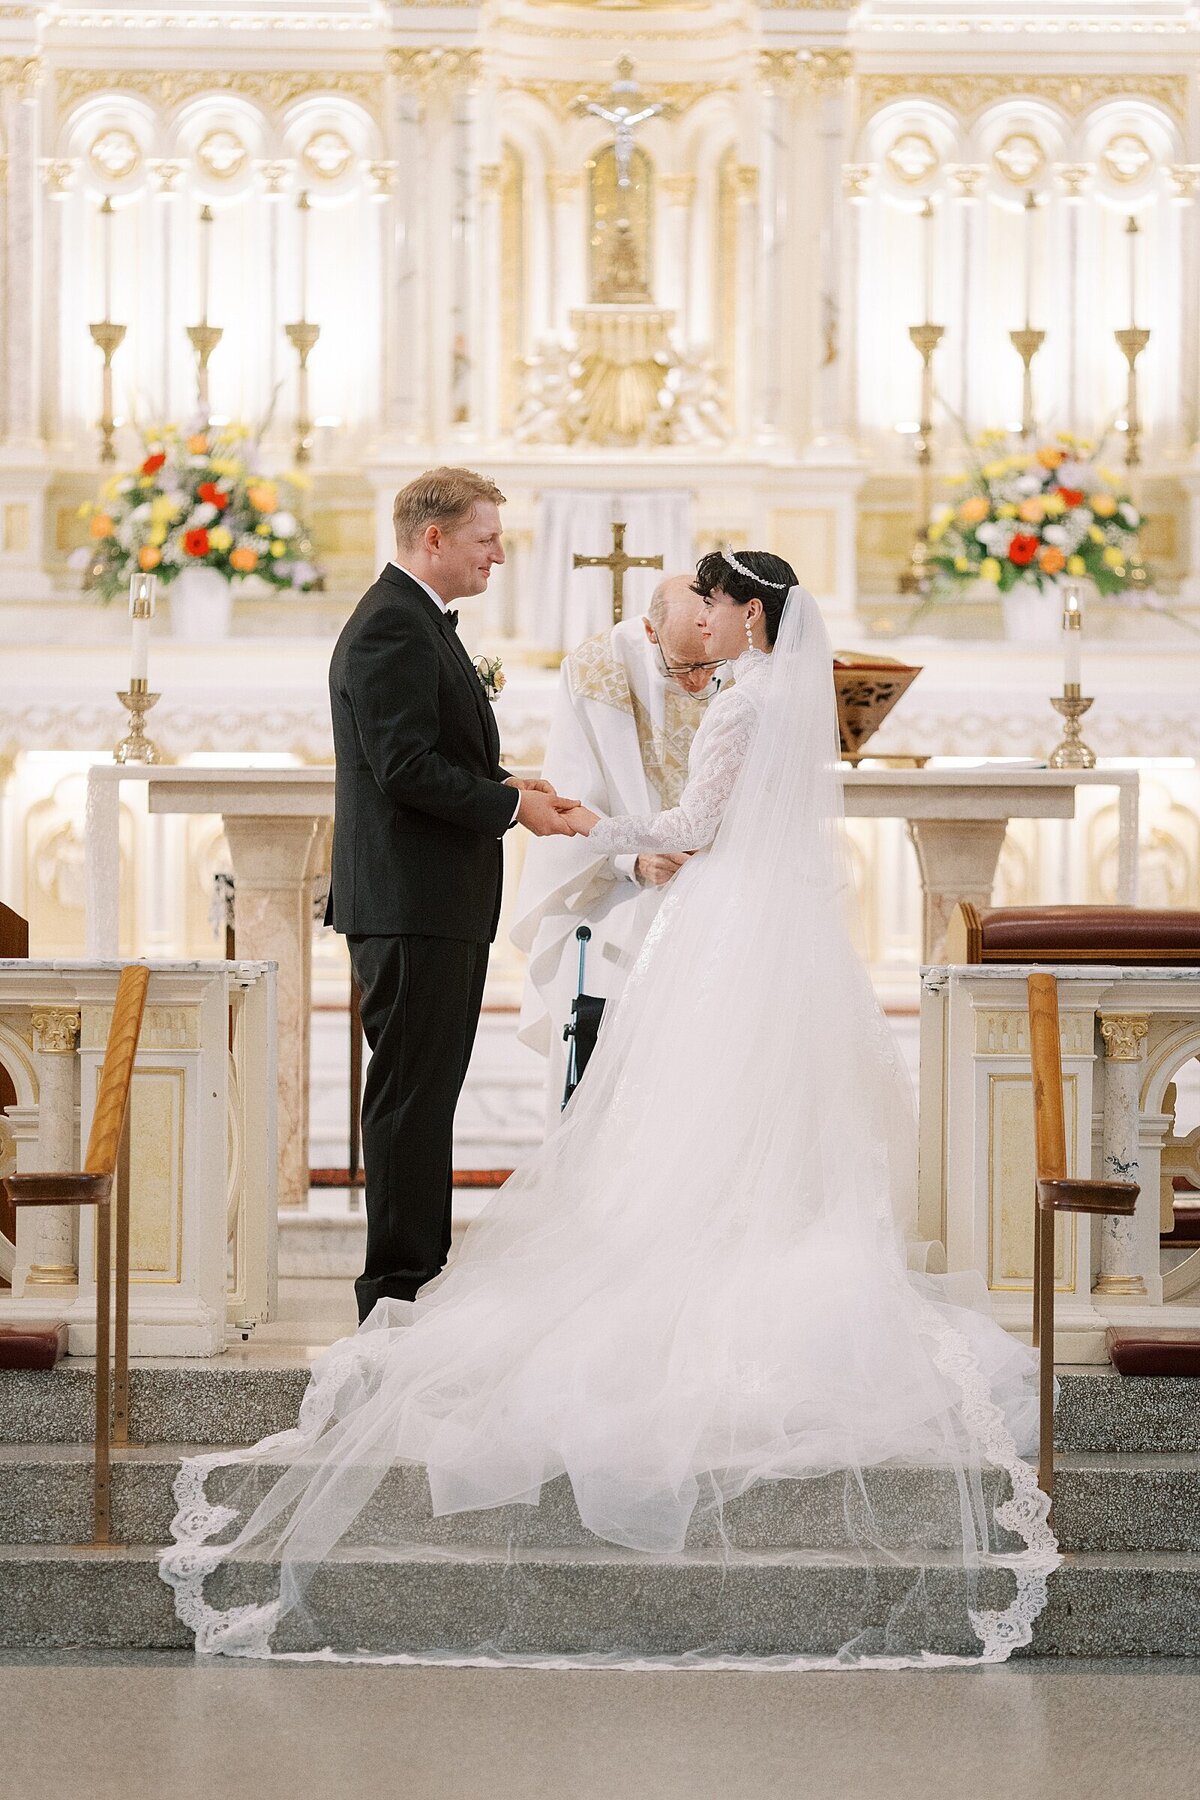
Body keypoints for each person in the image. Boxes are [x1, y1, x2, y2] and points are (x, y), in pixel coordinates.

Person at [162, 549, 1058, 1669]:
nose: (702, 621)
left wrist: (577, 824)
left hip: (723, 924)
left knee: (695, 1114)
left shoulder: (741, 703)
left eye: (714, 604)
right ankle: (766, 1252)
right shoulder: (789, 701)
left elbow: (688, 821)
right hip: (783, 929)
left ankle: (704, 1263)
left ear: (744, 612)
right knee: (774, 1118)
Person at [323, 466, 578, 1324]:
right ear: (432, 537)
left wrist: (510, 781)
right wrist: (513, 808)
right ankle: (396, 1289)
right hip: (411, 905)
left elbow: (430, 753)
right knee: (409, 1100)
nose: (500, 556)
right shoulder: (391, 627)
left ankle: (415, 1278)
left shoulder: (413, 620)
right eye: (486, 539)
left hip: (430, 901)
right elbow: (402, 769)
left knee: (424, 1098)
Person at [511, 573, 723, 1121]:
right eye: (685, 666)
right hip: (619, 889)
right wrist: (633, 860)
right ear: (651, 633)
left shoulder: (740, 659)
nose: (699, 682)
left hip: (726, 885)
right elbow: (572, 798)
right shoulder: (596, 672)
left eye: (708, 665)